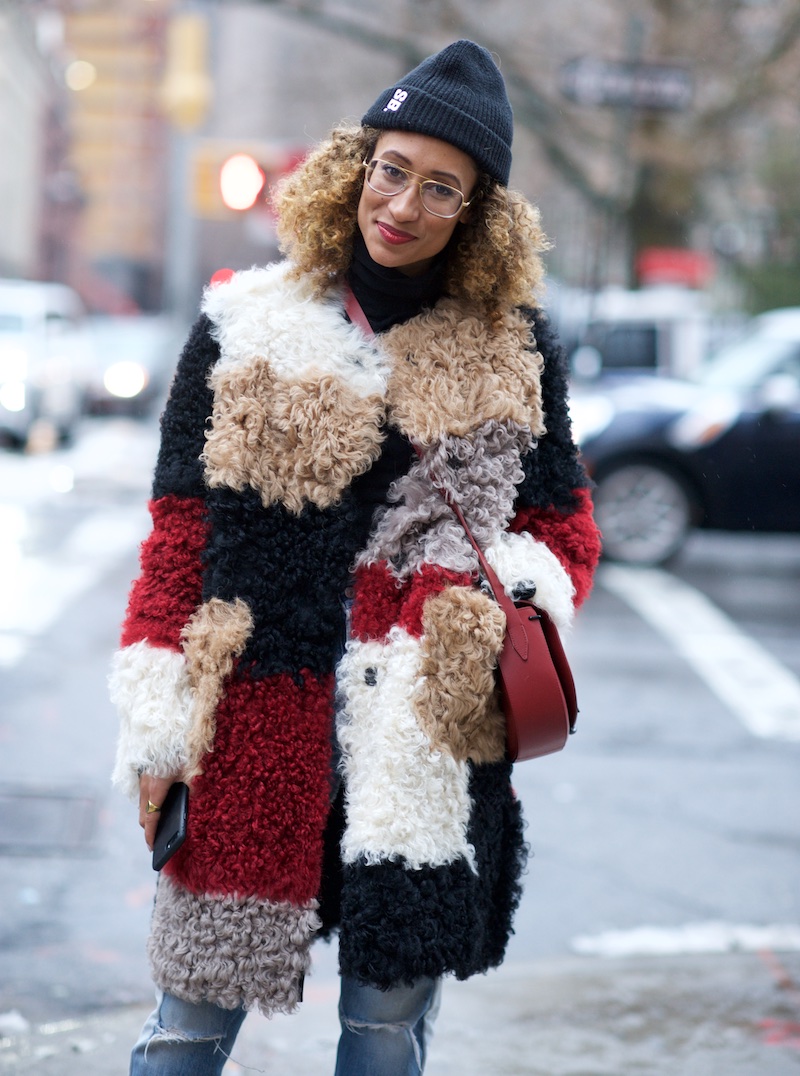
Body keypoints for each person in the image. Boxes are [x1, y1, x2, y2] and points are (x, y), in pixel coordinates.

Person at [109, 38, 601, 1076]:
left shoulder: (510, 348)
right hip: (250, 719)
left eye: (440, 186)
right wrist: (155, 728)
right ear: (354, 165)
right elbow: (179, 536)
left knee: (383, 1036)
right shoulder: (245, 324)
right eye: (391, 168)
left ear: (474, 212)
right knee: (185, 1032)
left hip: (418, 735)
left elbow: (562, 529)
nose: (404, 204)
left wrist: (481, 608)